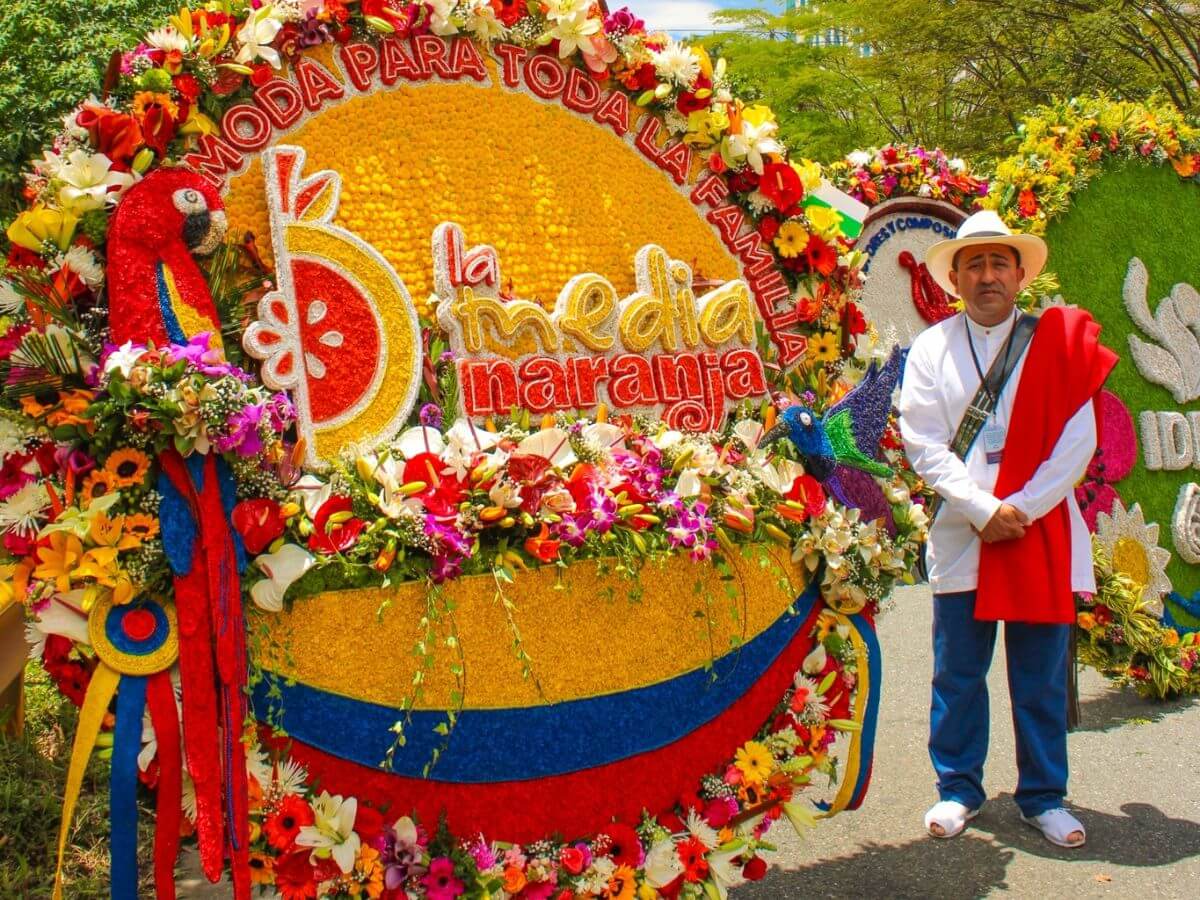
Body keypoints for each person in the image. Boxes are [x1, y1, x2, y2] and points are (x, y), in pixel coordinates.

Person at [898, 210, 1117, 848]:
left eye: (999, 263)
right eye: (975, 264)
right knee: (957, 671)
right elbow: (923, 441)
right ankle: (958, 787)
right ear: (955, 278)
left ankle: (1044, 795)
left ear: (1020, 274)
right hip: (967, 531)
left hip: (1038, 529)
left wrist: (1020, 505)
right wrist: (981, 507)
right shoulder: (931, 349)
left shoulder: (1056, 342)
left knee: (1040, 672)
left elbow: (1080, 438)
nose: (987, 275)